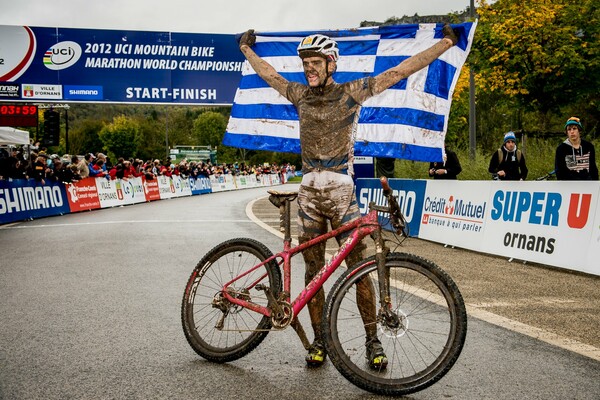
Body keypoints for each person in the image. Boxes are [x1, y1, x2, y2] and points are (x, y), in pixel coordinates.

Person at [237, 24, 459, 368]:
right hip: (309, 192)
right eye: (305, 63)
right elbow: (270, 75)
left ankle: (372, 342)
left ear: (331, 64)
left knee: (360, 268)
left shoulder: (351, 93)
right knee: (313, 273)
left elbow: (400, 70)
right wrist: (247, 51)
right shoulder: (299, 95)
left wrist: (446, 43)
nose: (308, 68)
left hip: (342, 191)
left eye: (315, 62)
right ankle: (320, 341)